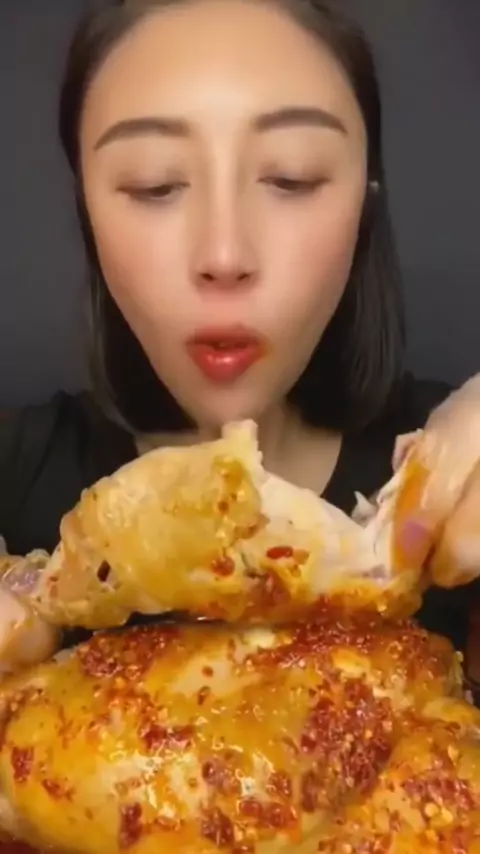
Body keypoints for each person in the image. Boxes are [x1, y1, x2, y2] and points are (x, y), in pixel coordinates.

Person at [0, 0, 479, 676]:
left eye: (292, 176)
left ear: (364, 202)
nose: (224, 254)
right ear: (88, 212)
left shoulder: (456, 486)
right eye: (154, 184)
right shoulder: (15, 476)